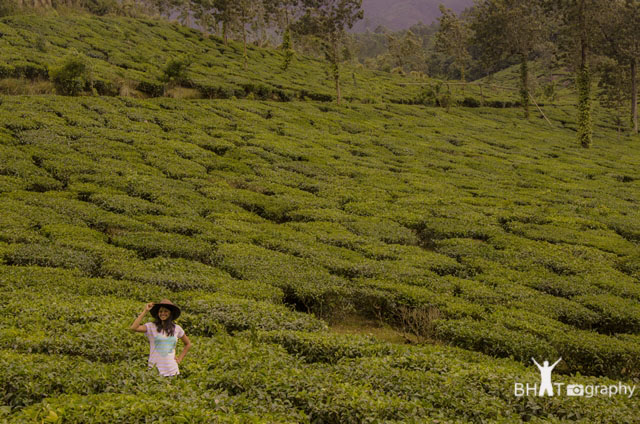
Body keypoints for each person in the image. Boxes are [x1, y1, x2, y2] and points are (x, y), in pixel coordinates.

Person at [129, 299, 192, 377]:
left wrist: (179, 359)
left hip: (172, 370)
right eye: (160, 311)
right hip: (154, 370)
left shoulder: (177, 328)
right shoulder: (151, 326)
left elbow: (188, 344)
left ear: (170, 313)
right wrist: (145, 311)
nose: (162, 313)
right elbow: (133, 328)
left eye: (166, 311)